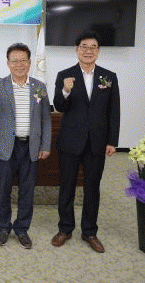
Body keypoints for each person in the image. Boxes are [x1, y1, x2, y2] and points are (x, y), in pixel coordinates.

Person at [51, 31, 120, 253]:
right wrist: (66, 90)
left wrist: (112, 141)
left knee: (92, 188)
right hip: (70, 141)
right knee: (67, 186)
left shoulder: (108, 77)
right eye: (84, 46)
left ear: (98, 51)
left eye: (93, 47)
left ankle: (89, 231)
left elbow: (114, 111)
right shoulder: (65, 75)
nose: (88, 51)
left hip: (97, 142)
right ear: (76, 49)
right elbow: (59, 106)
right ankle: (65, 228)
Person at [0, 43, 51, 249]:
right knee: (3, 190)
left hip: (31, 147)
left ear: (29, 63)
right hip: (5, 147)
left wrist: (45, 145)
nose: (19, 64)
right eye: (15, 61)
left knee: (27, 191)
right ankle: (3, 227)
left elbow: (46, 119)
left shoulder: (39, 86)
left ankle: (22, 229)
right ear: (8, 63)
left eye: (23, 60)